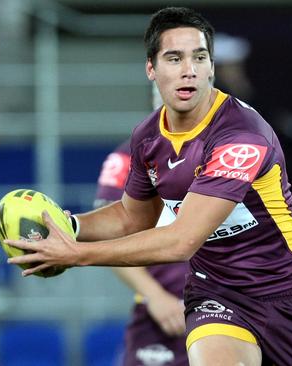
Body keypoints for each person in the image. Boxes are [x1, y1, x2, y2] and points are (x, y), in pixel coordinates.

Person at [6, 7, 292, 366]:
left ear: (211, 67)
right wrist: (71, 227)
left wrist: (77, 255)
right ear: (151, 68)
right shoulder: (147, 137)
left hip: (291, 295)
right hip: (217, 294)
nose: (188, 70)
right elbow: (133, 217)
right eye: (174, 58)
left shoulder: (241, 136)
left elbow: (183, 239)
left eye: (199, 57)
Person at [95, 86, 189, 366]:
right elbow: (106, 238)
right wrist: (155, 296)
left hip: (226, 309)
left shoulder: (227, 154)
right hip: (162, 315)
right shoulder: (125, 159)